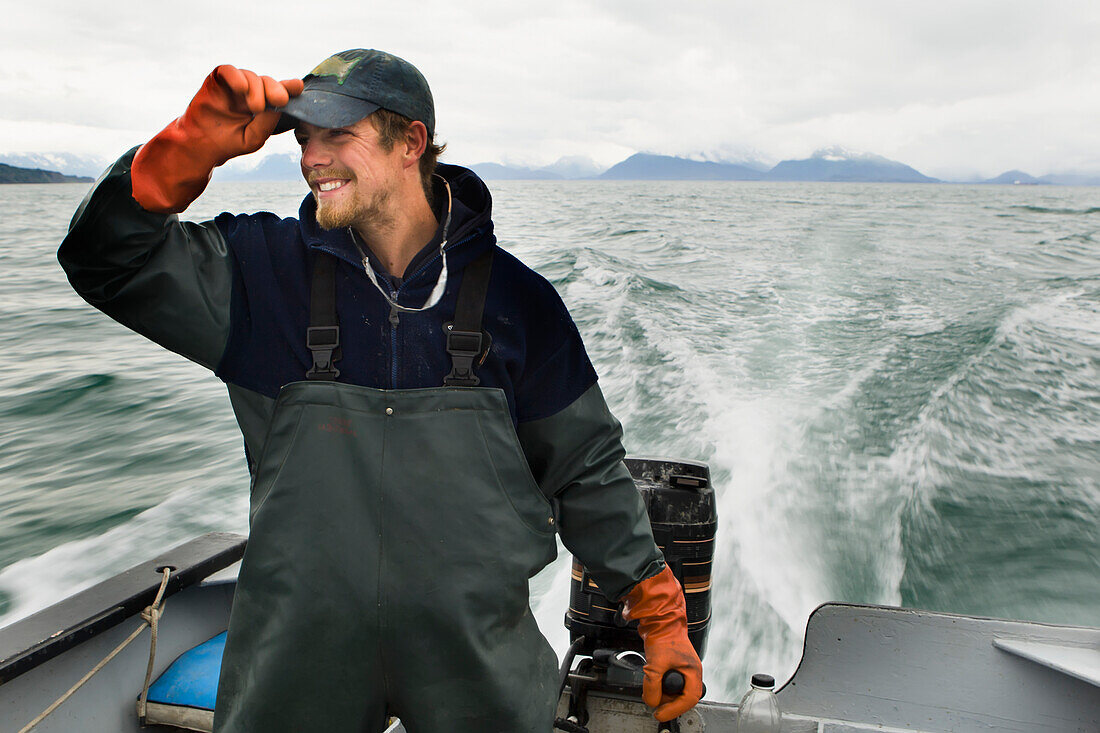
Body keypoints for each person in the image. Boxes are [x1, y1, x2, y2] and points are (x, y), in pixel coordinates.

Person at [59, 49, 702, 732]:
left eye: (338, 135)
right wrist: (183, 152)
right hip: (297, 658)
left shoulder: (519, 304)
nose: (312, 159)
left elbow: (584, 470)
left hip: (476, 660)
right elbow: (106, 261)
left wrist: (659, 610)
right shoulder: (255, 275)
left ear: (410, 142)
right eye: (303, 138)